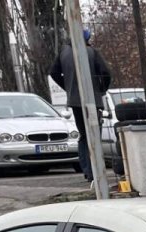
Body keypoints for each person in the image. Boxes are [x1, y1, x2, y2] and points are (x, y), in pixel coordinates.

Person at [49, 28, 112, 184]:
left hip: (75, 101)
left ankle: (86, 169)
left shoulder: (64, 53)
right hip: (92, 100)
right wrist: (101, 89)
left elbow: (53, 72)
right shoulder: (91, 52)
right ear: (87, 38)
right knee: (94, 134)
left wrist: (67, 87)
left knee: (83, 135)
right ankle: (94, 171)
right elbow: (106, 72)